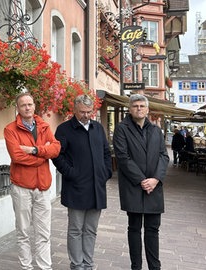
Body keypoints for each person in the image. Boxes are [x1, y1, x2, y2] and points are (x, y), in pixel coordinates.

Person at [52, 94, 113, 270]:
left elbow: (106, 153)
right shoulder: (64, 129)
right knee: (75, 229)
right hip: (76, 187)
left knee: (91, 229)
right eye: (82, 112)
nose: (86, 115)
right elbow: (57, 156)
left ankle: (88, 263)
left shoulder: (98, 128)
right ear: (74, 110)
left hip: (97, 188)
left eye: (89, 112)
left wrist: (106, 172)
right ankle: (77, 264)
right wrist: (71, 173)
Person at [4, 92, 61, 270]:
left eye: (30, 104)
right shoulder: (10, 129)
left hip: (43, 187)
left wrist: (35, 151)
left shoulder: (44, 126)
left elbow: (56, 148)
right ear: (18, 108)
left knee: (44, 232)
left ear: (34, 106)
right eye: (23, 105)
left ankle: (45, 267)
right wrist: (44, 154)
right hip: (22, 187)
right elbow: (17, 156)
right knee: (23, 231)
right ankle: (26, 267)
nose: (27, 108)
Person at [113, 94, 169, 270]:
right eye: (135, 106)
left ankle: (154, 267)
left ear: (147, 109)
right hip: (133, 186)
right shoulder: (122, 129)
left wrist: (156, 179)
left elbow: (163, 156)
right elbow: (123, 158)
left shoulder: (155, 131)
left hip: (154, 187)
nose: (139, 108)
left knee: (153, 229)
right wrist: (142, 180)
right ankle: (136, 266)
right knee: (134, 228)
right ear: (130, 109)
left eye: (142, 106)